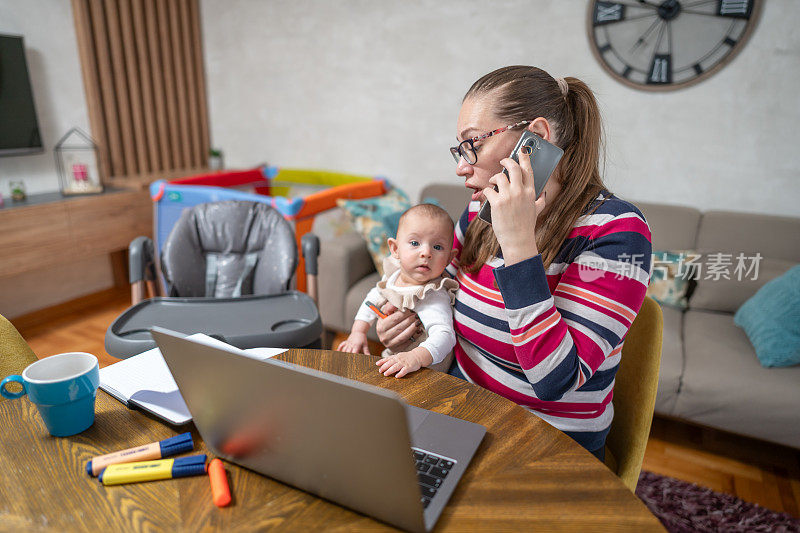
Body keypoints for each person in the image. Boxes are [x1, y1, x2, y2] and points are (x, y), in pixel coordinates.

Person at [376, 66, 652, 460]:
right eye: (460, 149)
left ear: (534, 139)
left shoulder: (617, 233)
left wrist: (519, 244)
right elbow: (440, 290)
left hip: (549, 445)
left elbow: (555, 379)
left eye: (473, 144)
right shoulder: (478, 209)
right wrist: (411, 326)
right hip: (460, 410)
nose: (461, 166)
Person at [337, 203, 459, 378]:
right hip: (396, 357)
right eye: (415, 243)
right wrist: (358, 331)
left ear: (449, 258)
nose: (426, 252)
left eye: (437, 247)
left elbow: (445, 336)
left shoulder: (432, 293)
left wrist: (415, 357)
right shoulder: (393, 277)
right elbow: (371, 300)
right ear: (395, 249)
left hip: (427, 370)